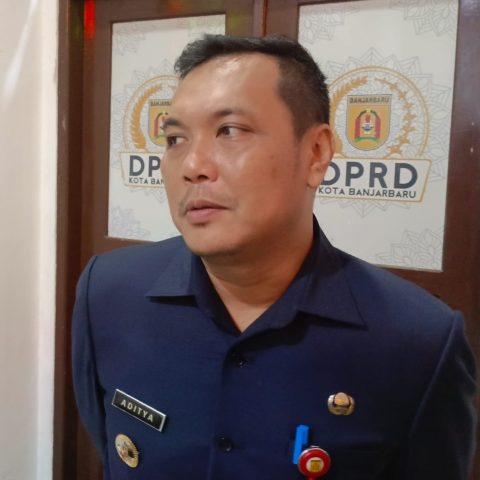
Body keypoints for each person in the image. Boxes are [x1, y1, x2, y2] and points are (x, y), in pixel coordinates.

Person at [72, 35, 477, 480]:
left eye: (229, 131)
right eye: (175, 139)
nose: (192, 165)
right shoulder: (107, 294)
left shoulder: (417, 340)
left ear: (316, 153)